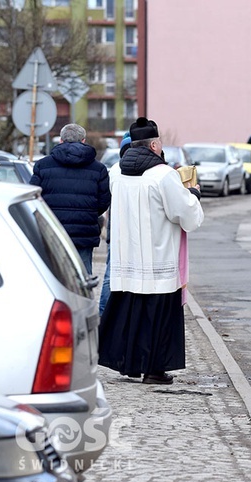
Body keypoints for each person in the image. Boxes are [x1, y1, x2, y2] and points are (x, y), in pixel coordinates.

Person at [98, 117, 203, 385]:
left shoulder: (115, 172)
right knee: (157, 320)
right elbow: (182, 213)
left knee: (130, 315)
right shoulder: (163, 175)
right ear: (155, 145)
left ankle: (128, 365)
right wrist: (193, 194)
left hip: (126, 259)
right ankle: (155, 370)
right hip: (158, 259)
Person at [29, 123, 111, 275]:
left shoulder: (42, 165)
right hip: (84, 231)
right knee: (84, 276)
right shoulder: (98, 169)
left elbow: (33, 196)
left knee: (54, 275)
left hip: (53, 230)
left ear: (60, 140)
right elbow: (104, 201)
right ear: (84, 141)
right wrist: (88, 212)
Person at [98, 133, 131, 316]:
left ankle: (104, 313)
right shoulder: (120, 172)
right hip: (123, 233)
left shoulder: (114, 171)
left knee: (111, 274)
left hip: (115, 233)